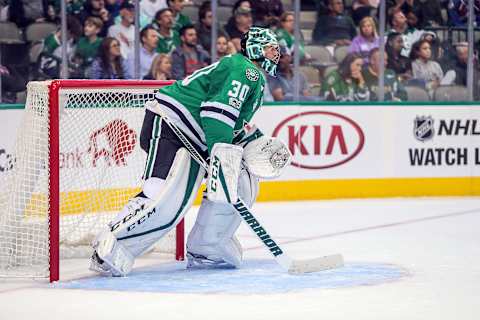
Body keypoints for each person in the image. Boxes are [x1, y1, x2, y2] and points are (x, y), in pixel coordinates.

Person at [89, 27, 286, 277]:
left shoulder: (252, 76)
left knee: (234, 185)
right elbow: (217, 112)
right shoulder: (243, 69)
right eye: (270, 48)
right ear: (256, 48)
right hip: (172, 124)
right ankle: (109, 245)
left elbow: (233, 121)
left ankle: (207, 247)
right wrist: (221, 153)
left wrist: (253, 140)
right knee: (161, 194)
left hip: (195, 138)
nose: (275, 54)